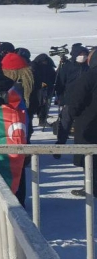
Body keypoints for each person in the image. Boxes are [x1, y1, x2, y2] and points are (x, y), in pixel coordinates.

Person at [66, 48, 97, 196]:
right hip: (89, 122)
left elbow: (77, 99)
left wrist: (73, 115)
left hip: (89, 123)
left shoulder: (89, 76)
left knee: (89, 157)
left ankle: (90, 187)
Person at [55, 44, 90, 148]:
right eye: (80, 54)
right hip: (69, 100)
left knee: (83, 124)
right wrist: (61, 98)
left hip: (85, 101)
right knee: (65, 123)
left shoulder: (88, 68)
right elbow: (60, 83)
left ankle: (83, 145)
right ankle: (61, 143)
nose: (82, 56)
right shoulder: (67, 67)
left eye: (84, 54)